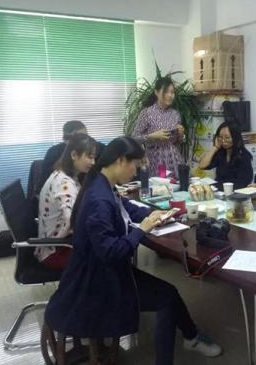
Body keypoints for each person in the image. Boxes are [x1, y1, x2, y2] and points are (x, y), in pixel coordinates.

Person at [44, 136, 221, 365]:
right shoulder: (99, 200)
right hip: (96, 282)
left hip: (105, 271)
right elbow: (111, 252)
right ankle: (186, 343)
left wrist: (152, 215)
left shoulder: (102, 183)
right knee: (167, 298)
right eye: (135, 165)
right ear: (120, 160)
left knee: (169, 293)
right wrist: (142, 230)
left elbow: (124, 207)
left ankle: (192, 337)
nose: (137, 171)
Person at [35, 133, 96, 270]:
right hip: (56, 250)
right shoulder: (64, 183)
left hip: (59, 243)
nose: (93, 162)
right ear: (74, 155)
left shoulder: (63, 175)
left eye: (94, 157)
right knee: (105, 255)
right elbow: (74, 221)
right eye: (89, 157)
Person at [132, 76, 185, 177]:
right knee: (159, 186)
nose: (170, 95)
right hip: (155, 161)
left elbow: (178, 142)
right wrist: (151, 136)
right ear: (156, 92)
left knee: (177, 185)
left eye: (172, 92)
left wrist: (181, 135)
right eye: (166, 92)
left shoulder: (175, 114)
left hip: (174, 160)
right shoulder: (147, 113)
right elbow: (134, 138)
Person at [198, 121, 253, 190]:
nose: (223, 141)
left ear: (235, 138)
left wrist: (217, 186)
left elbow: (244, 183)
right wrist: (215, 147)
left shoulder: (244, 156)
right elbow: (202, 165)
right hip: (219, 191)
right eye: (220, 137)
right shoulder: (221, 152)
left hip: (235, 193)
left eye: (227, 137)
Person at [41, 120, 88, 187]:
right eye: (82, 138)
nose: (87, 141)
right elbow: (45, 182)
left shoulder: (91, 150)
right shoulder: (53, 153)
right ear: (67, 141)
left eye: (86, 137)